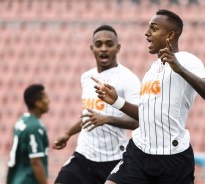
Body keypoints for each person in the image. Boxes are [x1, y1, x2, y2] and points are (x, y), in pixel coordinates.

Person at [93, 9, 205, 184]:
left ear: (169, 35)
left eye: (153, 29)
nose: (147, 33)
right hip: (139, 152)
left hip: (173, 158)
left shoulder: (187, 60)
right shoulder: (152, 69)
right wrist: (117, 101)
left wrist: (180, 69)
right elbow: (145, 116)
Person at [53, 25, 140, 184]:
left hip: (113, 160)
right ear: (92, 48)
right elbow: (90, 114)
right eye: (98, 44)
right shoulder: (87, 77)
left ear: (118, 47)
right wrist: (68, 133)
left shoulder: (129, 79)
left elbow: (140, 121)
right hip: (83, 156)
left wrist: (107, 119)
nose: (104, 48)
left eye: (109, 44)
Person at [7, 84, 50, 184]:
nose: (48, 101)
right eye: (45, 98)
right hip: (27, 180)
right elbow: (35, 161)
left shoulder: (22, 121)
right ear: (38, 103)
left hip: (16, 177)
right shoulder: (34, 127)